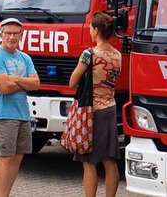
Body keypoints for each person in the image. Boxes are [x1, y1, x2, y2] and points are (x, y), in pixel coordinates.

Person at [68, 11, 121, 197]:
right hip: (110, 107)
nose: (90, 31)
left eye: (91, 27)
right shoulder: (117, 55)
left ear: (97, 30)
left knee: (89, 161)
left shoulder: (89, 54)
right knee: (110, 160)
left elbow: (73, 81)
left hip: (93, 110)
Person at [0, 17, 40, 197]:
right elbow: (4, 87)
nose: (11, 37)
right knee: (5, 158)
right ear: (0, 34)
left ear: (21, 35)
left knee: (18, 157)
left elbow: (37, 84)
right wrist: (25, 82)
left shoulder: (25, 57)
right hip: (3, 114)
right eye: (8, 33)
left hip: (23, 114)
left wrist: (15, 78)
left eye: (16, 34)